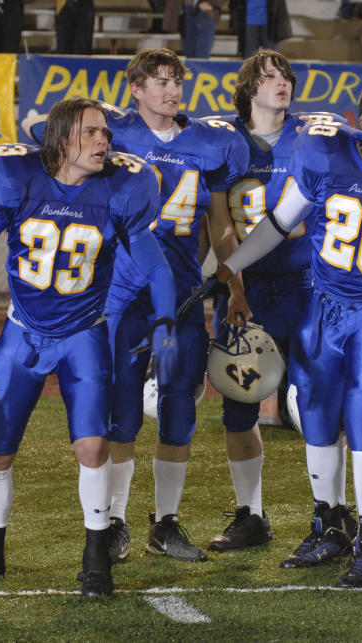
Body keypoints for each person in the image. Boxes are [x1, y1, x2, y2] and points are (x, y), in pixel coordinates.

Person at [204, 84, 362, 588]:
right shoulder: (325, 153)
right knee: (317, 419)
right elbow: (280, 222)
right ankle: (330, 524)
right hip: (321, 309)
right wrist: (229, 269)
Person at [0, 98, 179, 597]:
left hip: (83, 335)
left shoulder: (120, 188)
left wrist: (165, 320)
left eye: (106, 133)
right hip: (21, 334)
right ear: (62, 139)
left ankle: (96, 559)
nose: (104, 142)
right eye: (92, 132)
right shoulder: (16, 179)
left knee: (92, 446)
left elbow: (156, 266)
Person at [97, 49, 249, 564]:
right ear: (135, 88)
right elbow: (44, 137)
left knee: (180, 408)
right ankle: (112, 521)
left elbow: (223, 224)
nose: (171, 90)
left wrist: (236, 286)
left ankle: (165, 523)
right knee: (119, 411)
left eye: (177, 81)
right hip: (122, 293)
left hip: (183, 292)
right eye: (159, 82)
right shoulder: (111, 131)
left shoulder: (212, 142)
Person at [206, 51, 355, 554]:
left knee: (317, 399)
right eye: (270, 77)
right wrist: (235, 288)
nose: (282, 85)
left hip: (309, 284)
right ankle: (251, 514)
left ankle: (331, 514)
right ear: (249, 87)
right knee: (239, 404)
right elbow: (221, 223)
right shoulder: (225, 141)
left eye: (287, 77)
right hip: (248, 288)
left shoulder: (315, 134)